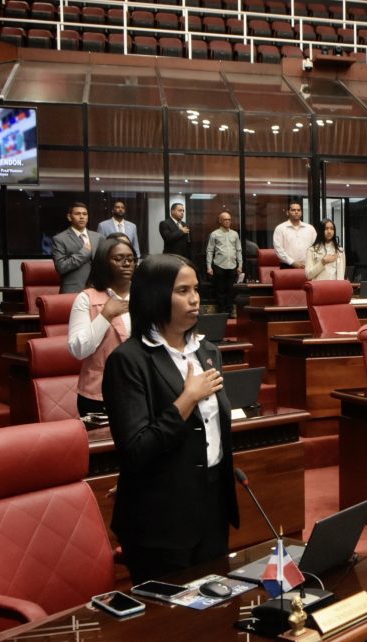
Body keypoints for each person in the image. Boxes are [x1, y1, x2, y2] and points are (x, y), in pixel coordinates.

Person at [102, 254, 239, 584]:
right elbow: (136, 448)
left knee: (215, 618)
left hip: (210, 508)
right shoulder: (129, 361)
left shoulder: (207, 352)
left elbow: (212, 427)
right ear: (154, 295)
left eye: (196, 289)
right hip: (159, 520)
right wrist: (186, 399)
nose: (194, 299)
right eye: (182, 291)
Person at [68, 237, 133, 416]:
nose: (126, 263)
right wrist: (106, 315)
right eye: (118, 259)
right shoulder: (86, 298)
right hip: (99, 395)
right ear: (104, 263)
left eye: (130, 259)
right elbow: (78, 350)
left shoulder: (144, 296)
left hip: (139, 391)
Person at [52, 202, 104, 294]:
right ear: (69, 217)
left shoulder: (98, 237)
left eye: (85, 214)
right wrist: (85, 252)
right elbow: (61, 267)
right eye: (77, 214)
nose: (82, 217)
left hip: (97, 289)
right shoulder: (59, 239)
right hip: (73, 290)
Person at [205, 210, 242, 316]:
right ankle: (221, 312)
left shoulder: (235, 234)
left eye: (229, 219)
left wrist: (240, 265)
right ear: (220, 221)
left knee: (231, 290)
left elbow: (238, 250)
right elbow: (210, 251)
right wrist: (209, 267)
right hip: (219, 265)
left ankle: (230, 311)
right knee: (220, 290)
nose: (228, 221)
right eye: (225, 219)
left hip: (232, 265)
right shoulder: (214, 234)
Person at [273, 201, 316, 269]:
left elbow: (315, 247)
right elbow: (278, 249)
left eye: (298, 210)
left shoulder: (310, 228)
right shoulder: (280, 228)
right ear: (287, 212)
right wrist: (292, 262)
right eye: (293, 210)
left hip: (307, 266)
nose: (296, 212)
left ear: (301, 212)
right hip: (287, 266)